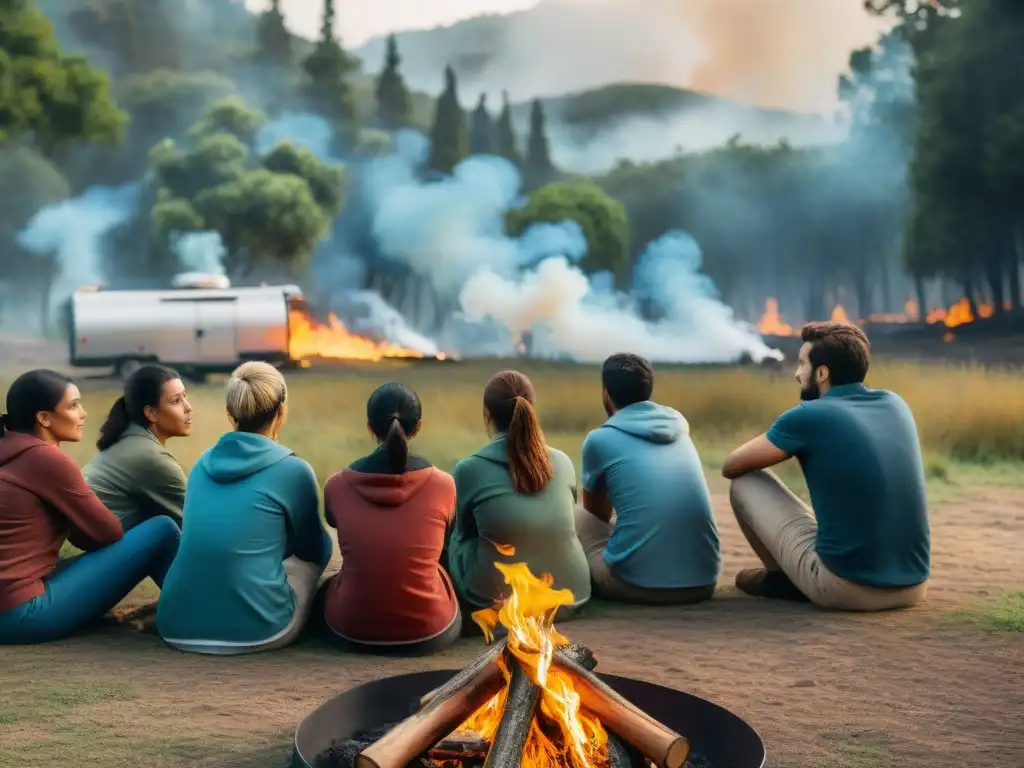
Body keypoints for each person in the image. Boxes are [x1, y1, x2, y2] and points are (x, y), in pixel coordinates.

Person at [722, 321, 930, 611]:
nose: (796, 374)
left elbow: (732, 465)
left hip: (847, 588)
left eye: (801, 364)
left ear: (822, 373)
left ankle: (781, 580)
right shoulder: (896, 404)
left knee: (745, 482)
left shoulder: (809, 415)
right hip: (914, 586)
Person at [157, 362, 333, 654]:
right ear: (280, 412)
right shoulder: (293, 470)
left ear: (232, 414)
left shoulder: (202, 464)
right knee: (307, 563)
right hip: (256, 631)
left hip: (176, 625)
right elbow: (316, 551)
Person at [0, 369, 181, 644]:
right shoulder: (46, 460)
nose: (83, 414)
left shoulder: (9, 450)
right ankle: (195, 614)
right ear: (44, 418)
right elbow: (107, 533)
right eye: (73, 406)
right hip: (20, 614)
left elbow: (87, 539)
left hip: (12, 603)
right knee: (162, 529)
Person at [320, 383, 460, 655]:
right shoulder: (444, 485)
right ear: (417, 427)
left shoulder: (336, 486)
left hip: (351, 629)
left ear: (370, 428)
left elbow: (337, 524)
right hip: (430, 630)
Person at [575, 354, 721, 604]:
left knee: (572, 514)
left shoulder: (599, 440)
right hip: (704, 582)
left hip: (634, 585)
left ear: (606, 394)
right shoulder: (678, 426)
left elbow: (597, 517)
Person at [447, 370, 591, 620]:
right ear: (531, 408)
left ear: (487, 414)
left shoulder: (469, 469)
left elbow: (464, 533)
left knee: (449, 533)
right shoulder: (563, 462)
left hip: (498, 601)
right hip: (571, 593)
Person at [83, 365, 193, 531]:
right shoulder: (151, 459)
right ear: (151, 413)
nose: (188, 408)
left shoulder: (128, 439)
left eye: (185, 397)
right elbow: (199, 523)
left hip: (105, 549)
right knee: (166, 528)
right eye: (176, 401)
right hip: (105, 554)